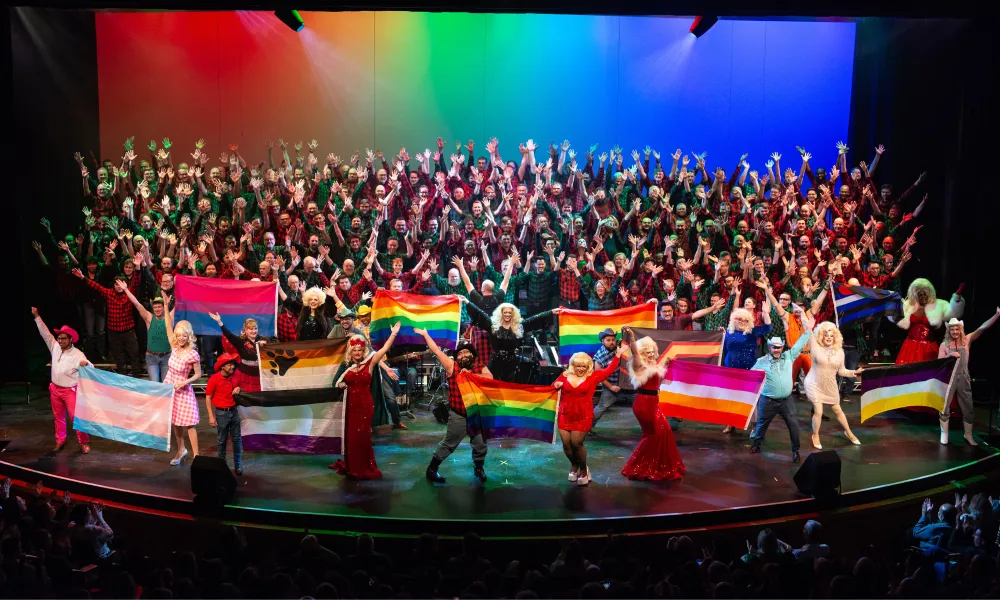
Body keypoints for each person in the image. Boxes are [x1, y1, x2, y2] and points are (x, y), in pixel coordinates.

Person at [417, 328, 492, 484]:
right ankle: (432, 469)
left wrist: (470, 376)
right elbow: (437, 351)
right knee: (449, 444)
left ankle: (479, 469)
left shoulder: (479, 366)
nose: (463, 355)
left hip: (477, 415)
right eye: (460, 353)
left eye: (466, 352)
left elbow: (490, 378)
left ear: (473, 355)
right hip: (459, 415)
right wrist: (425, 335)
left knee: (480, 444)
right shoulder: (452, 366)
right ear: (456, 357)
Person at [331, 324, 401, 480]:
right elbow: (335, 382)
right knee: (352, 438)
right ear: (351, 351)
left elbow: (383, 350)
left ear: (364, 351)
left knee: (363, 437)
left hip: (365, 405)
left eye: (360, 350)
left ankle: (364, 466)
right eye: (354, 350)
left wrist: (393, 334)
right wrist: (341, 384)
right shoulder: (345, 365)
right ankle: (352, 466)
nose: (357, 353)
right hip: (350, 406)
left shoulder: (370, 363)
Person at [620, 326, 685, 481]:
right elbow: (635, 353)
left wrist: (665, 364)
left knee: (664, 431)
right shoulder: (638, 365)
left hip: (653, 402)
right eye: (646, 352)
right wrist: (632, 337)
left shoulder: (652, 365)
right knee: (653, 434)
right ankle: (640, 465)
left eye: (651, 352)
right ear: (641, 353)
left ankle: (657, 464)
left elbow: (656, 379)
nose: (650, 354)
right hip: (644, 404)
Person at [553, 348, 623, 485]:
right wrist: (556, 385)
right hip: (565, 415)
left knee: (576, 444)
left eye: (583, 366)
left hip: (583, 416)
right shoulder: (565, 375)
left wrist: (618, 355)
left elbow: (609, 369)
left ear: (588, 366)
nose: (580, 369)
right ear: (573, 365)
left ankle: (584, 469)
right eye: (578, 366)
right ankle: (574, 465)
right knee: (566, 445)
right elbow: (553, 386)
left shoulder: (593, 376)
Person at [31, 307, 92, 454]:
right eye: (59, 338)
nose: (60, 341)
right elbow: (45, 333)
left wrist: (86, 364)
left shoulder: (77, 354)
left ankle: (83, 442)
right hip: (55, 389)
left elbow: (91, 366)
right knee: (58, 417)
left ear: (70, 339)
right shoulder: (55, 347)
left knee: (76, 418)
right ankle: (60, 440)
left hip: (70, 390)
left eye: (63, 338)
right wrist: (37, 316)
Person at [937, 309, 999, 445]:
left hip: (964, 377)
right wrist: (949, 355)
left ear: (960, 329)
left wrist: (996, 315)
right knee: (944, 406)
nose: (954, 332)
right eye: (952, 329)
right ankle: (944, 434)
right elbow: (939, 363)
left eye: (956, 329)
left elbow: (982, 328)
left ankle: (968, 435)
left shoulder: (966, 340)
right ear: (949, 330)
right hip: (948, 378)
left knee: (968, 406)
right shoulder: (944, 345)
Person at [749, 332, 813, 463]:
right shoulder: (762, 361)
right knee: (762, 424)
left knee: (793, 425)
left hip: (786, 401)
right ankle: (757, 444)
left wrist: (808, 331)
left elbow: (799, 344)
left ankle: (795, 451)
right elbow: (749, 376)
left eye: (779, 347)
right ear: (769, 347)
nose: (777, 350)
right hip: (768, 401)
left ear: (782, 347)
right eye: (774, 347)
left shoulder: (789, 356)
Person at [464, 300, 556, 383]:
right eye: (505, 312)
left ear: (513, 314)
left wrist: (551, 312)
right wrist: (467, 302)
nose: (507, 314)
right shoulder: (492, 325)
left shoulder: (519, 326)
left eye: (509, 312)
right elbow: (480, 314)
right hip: (496, 363)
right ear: (501, 313)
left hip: (513, 364)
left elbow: (535, 320)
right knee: (495, 386)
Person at [804, 322, 863, 449]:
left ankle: (848, 432)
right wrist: (808, 326)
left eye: (831, 335)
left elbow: (841, 371)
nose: (829, 338)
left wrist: (855, 372)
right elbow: (809, 333)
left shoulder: (840, 352)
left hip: (830, 385)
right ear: (821, 336)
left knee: (838, 410)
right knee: (818, 411)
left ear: (835, 337)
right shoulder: (815, 347)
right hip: (814, 383)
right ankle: (815, 435)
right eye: (826, 335)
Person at [720, 305, 772, 434]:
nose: (742, 322)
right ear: (733, 319)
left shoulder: (752, 332)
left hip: (749, 370)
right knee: (731, 398)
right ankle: (730, 423)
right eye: (739, 319)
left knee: (751, 398)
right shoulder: (728, 333)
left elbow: (768, 327)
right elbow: (722, 350)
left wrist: (766, 313)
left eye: (745, 320)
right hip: (731, 370)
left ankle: (754, 426)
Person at [163, 307, 202, 465]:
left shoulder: (192, 353)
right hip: (171, 389)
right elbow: (168, 325)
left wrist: (185, 382)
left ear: (189, 336)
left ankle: (197, 456)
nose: (180, 338)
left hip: (184, 391)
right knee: (176, 423)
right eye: (178, 335)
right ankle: (181, 450)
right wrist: (166, 306)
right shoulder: (174, 349)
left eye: (184, 335)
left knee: (189, 425)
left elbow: (198, 374)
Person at [895, 278, 965, 364]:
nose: (923, 297)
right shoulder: (909, 306)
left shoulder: (938, 306)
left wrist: (956, 298)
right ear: (916, 296)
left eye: (925, 294)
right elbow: (897, 317)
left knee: (928, 369)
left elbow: (953, 313)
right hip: (911, 345)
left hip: (928, 346)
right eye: (920, 295)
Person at [120, 287, 170, 382]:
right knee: (154, 384)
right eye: (155, 307)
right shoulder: (149, 318)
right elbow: (136, 303)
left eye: (159, 307)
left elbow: (180, 305)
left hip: (167, 357)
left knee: (166, 385)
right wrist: (126, 289)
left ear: (164, 307)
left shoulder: (169, 318)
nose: (157, 309)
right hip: (152, 357)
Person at [208, 313, 266, 393]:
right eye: (251, 329)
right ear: (245, 330)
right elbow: (229, 335)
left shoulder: (264, 341)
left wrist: (265, 345)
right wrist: (219, 322)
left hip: (259, 375)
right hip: (245, 375)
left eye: (255, 328)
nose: (254, 331)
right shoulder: (240, 341)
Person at [206, 353, 244, 475]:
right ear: (222, 366)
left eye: (232, 364)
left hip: (234, 411)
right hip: (221, 413)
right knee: (222, 440)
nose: (232, 366)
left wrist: (238, 388)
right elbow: (208, 397)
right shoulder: (214, 379)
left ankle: (238, 464)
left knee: (237, 439)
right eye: (229, 365)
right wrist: (211, 416)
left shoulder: (235, 376)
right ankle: (222, 465)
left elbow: (241, 387)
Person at [591, 328, 627, 432]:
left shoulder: (620, 346)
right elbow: (599, 376)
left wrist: (626, 331)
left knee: (640, 404)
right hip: (610, 385)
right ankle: (587, 427)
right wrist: (611, 387)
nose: (611, 342)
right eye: (608, 340)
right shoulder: (599, 357)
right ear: (602, 341)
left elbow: (629, 341)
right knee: (601, 407)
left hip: (626, 385)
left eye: (613, 339)